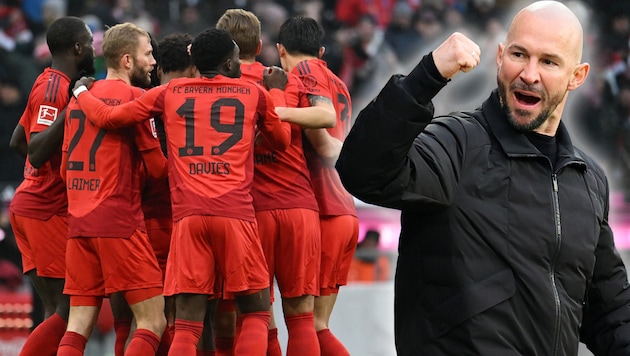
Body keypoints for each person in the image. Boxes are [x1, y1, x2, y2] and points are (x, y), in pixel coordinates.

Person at [336, 1, 630, 355]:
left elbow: (611, 313)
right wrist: (427, 75)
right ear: (501, 56)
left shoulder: (587, 180)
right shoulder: (456, 143)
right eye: (520, 55)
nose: (530, 74)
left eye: (548, 61)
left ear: (577, 76)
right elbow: (363, 170)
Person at [71, 27, 292, 356]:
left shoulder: (169, 93)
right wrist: (278, 94)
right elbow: (282, 141)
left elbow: (108, 118)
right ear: (230, 65)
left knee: (186, 327)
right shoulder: (253, 93)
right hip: (235, 216)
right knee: (256, 314)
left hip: (187, 220)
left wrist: (81, 94)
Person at [216, 9, 337, 356]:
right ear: (260, 44)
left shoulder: (219, 88)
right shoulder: (287, 80)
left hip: (250, 213)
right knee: (302, 319)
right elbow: (325, 115)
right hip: (299, 206)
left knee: (254, 316)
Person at [57, 22, 168, 356]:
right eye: (147, 54)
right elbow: (158, 169)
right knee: (153, 322)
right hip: (119, 221)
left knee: (77, 325)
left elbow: (64, 169)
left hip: (79, 223)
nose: (153, 62)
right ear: (127, 60)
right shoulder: (137, 99)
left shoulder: (79, 100)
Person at [6, 16, 95, 356]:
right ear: (76, 47)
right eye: (88, 43)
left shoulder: (46, 81)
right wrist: (74, 103)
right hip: (45, 209)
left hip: (32, 204)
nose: (91, 49)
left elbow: (18, 140)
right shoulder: (56, 89)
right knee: (73, 308)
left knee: (55, 309)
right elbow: (37, 149)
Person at [276, 16, 359, 356]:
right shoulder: (338, 83)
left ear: (280, 50)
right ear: (321, 50)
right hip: (344, 210)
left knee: (305, 325)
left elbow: (324, 147)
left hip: (322, 211)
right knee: (318, 326)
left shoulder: (304, 74)